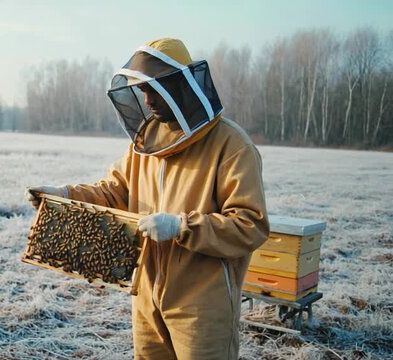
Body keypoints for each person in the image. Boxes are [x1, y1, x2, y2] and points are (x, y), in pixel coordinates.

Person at [26, 38, 269, 360]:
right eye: (141, 90)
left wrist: (182, 226)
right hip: (145, 294)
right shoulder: (146, 142)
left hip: (202, 305)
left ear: (179, 87)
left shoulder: (231, 145)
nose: (147, 99)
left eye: (153, 89)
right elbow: (114, 191)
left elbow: (249, 225)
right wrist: (65, 196)